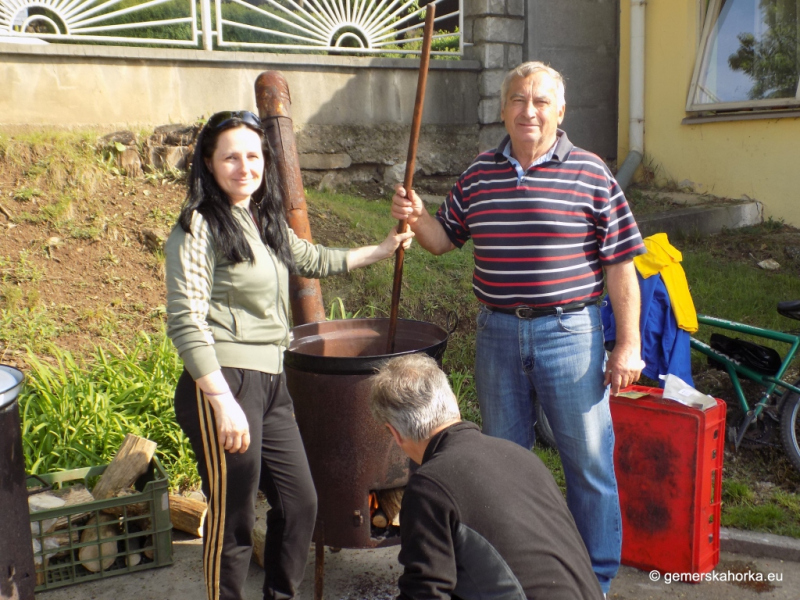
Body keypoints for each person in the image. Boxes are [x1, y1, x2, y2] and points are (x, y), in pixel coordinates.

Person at [390, 62, 645, 594]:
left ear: (560, 111)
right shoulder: (481, 173)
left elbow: (622, 266)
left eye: (540, 101)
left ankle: (593, 581)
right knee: (500, 463)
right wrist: (415, 215)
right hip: (498, 334)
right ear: (503, 109)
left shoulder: (591, 173)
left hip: (569, 335)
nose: (528, 111)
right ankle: (508, 577)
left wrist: (628, 345)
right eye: (517, 100)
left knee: (590, 464)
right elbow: (443, 240)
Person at [165, 110, 413, 600]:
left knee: (301, 503)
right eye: (230, 157)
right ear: (209, 164)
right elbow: (186, 321)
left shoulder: (261, 219)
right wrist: (222, 402)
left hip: (273, 382)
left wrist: (382, 248)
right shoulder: (199, 225)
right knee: (233, 521)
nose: (244, 167)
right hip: (226, 383)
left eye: (253, 156)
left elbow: (312, 258)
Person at [370, 354, 604, 600]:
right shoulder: (520, 456)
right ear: (453, 402)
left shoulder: (430, 487)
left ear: (394, 434)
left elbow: (425, 594)